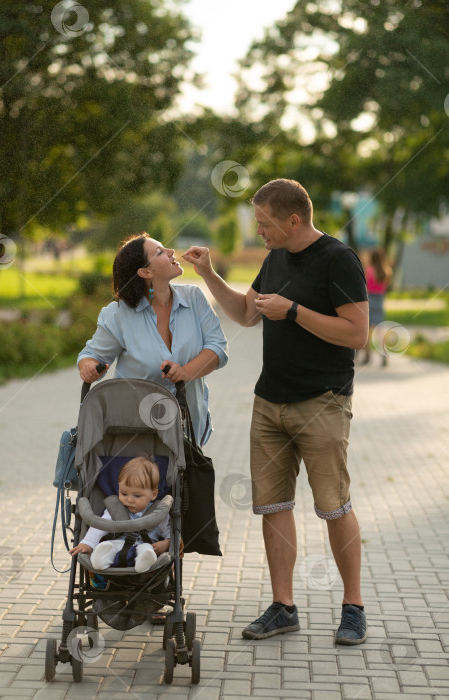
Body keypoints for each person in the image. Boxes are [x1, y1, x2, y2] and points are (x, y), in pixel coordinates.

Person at [182, 178, 369, 645]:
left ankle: (353, 607)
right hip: (270, 402)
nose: (259, 231)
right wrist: (209, 275)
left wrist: (294, 311)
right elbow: (246, 313)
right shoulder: (275, 257)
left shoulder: (338, 259)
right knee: (273, 505)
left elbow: (357, 334)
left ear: (292, 219)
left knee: (333, 506)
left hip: (322, 401)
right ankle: (283, 606)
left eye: (264, 223)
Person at [77, 233, 228, 447]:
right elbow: (91, 355)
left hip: (190, 430)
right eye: (160, 252)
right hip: (135, 433)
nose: (171, 252)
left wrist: (184, 373)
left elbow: (218, 347)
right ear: (145, 272)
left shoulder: (194, 298)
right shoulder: (118, 314)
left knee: (185, 481)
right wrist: (89, 367)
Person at [70, 457, 170, 573]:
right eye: (124, 493)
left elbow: (169, 532)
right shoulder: (115, 508)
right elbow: (100, 526)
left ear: (153, 494)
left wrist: (166, 543)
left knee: (147, 550)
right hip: (118, 544)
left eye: (137, 496)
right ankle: (99, 560)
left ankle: (144, 561)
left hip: (145, 545)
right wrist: (88, 543)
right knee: (107, 546)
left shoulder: (158, 511)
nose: (129, 500)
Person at [362, 247, 393, 366]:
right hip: (380, 300)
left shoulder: (368, 270)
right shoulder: (386, 271)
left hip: (369, 300)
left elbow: (364, 285)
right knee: (380, 330)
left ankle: (367, 356)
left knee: (368, 331)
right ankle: (384, 355)